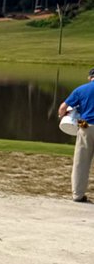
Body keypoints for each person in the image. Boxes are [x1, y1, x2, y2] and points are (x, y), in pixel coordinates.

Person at [59, 66, 94, 203]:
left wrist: (61, 116)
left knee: (81, 162)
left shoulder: (81, 89)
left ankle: (78, 194)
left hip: (85, 125)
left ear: (90, 77)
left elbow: (63, 108)